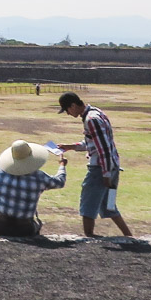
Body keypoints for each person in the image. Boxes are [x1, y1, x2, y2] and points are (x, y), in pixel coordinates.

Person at [57, 92, 135, 238]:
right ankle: (129, 236)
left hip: (100, 168)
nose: (67, 113)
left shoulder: (91, 120)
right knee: (108, 205)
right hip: (112, 165)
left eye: (67, 110)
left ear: (73, 105)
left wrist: (105, 174)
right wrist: (71, 146)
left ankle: (89, 236)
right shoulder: (96, 113)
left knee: (88, 201)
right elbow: (93, 143)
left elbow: (103, 148)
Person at [0, 140, 68, 238]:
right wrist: (62, 166)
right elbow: (60, 182)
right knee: (35, 228)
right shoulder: (39, 177)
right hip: (24, 227)